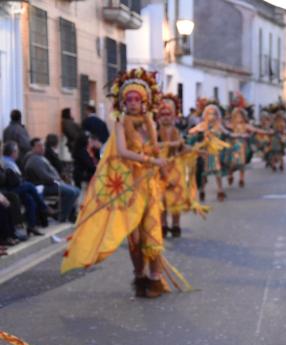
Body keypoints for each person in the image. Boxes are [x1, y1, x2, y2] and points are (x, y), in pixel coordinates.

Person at [61, 67, 190, 299]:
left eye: (137, 99)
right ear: (123, 102)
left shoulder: (150, 121)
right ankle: (139, 276)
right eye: (128, 98)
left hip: (148, 185)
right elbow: (121, 151)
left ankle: (154, 279)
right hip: (130, 186)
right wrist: (152, 159)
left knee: (152, 230)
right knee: (134, 236)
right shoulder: (120, 123)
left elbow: (154, 146)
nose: (132, 102)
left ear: (144, 101)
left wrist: (172, 153)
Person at [157, 93, 209, 238]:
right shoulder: (154, 132)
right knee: (161, 199)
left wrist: (197, 151)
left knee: (175, 198)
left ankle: (175, 225)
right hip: (159, 168)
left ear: (174, 116)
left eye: (169, 114)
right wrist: (170, 144)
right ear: (158, 116)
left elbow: (182, 147)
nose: (166, 117)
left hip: (175, 169)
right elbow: (152, 146)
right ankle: (163, 224)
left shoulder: (176, 131)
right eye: (163, 114)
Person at [24, 138, 80, 223]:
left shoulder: (41, 157)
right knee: (71, 192)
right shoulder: (34, 160)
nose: (42, 147)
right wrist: (57, 180)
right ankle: (61, 216)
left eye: (43, 145)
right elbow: (44, 177)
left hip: (53, 182)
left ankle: (70, 214)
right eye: (39, 146)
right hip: (45, 186)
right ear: (33, 148)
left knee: (76, 190)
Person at [2, 141, 48, 236]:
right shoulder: (7, 162)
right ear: (13, 152)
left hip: (13, 188)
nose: (18, 153)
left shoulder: (9, 161)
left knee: (29, 199)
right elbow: (15, 179)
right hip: (9, 190)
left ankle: (31, 226)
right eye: (17, 151)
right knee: (30, 186)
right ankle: (44, 208)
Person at [188, 104, 230, 202]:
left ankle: (220, 190)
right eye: (209, 114)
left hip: (215, 152)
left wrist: (232, 134)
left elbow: (227, 133)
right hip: (205, 152)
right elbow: (191, 131)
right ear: (205, 115)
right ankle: (202, 189)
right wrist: (197, 131)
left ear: (217, 115)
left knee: (217, 170)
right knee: (204, 172)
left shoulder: (218, 125)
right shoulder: (203, 125)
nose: (211, 116)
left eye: (214, 114)